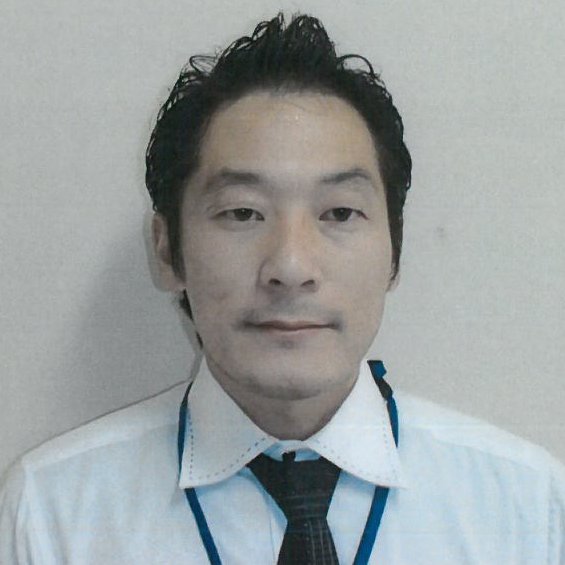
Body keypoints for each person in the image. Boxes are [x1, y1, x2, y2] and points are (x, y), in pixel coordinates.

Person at [1, 13, 564, 564]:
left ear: (395, 251)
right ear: (168, 250)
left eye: (339, 212)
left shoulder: (528, 508)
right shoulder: (51, 514)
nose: (291, 267)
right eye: (243, 212)